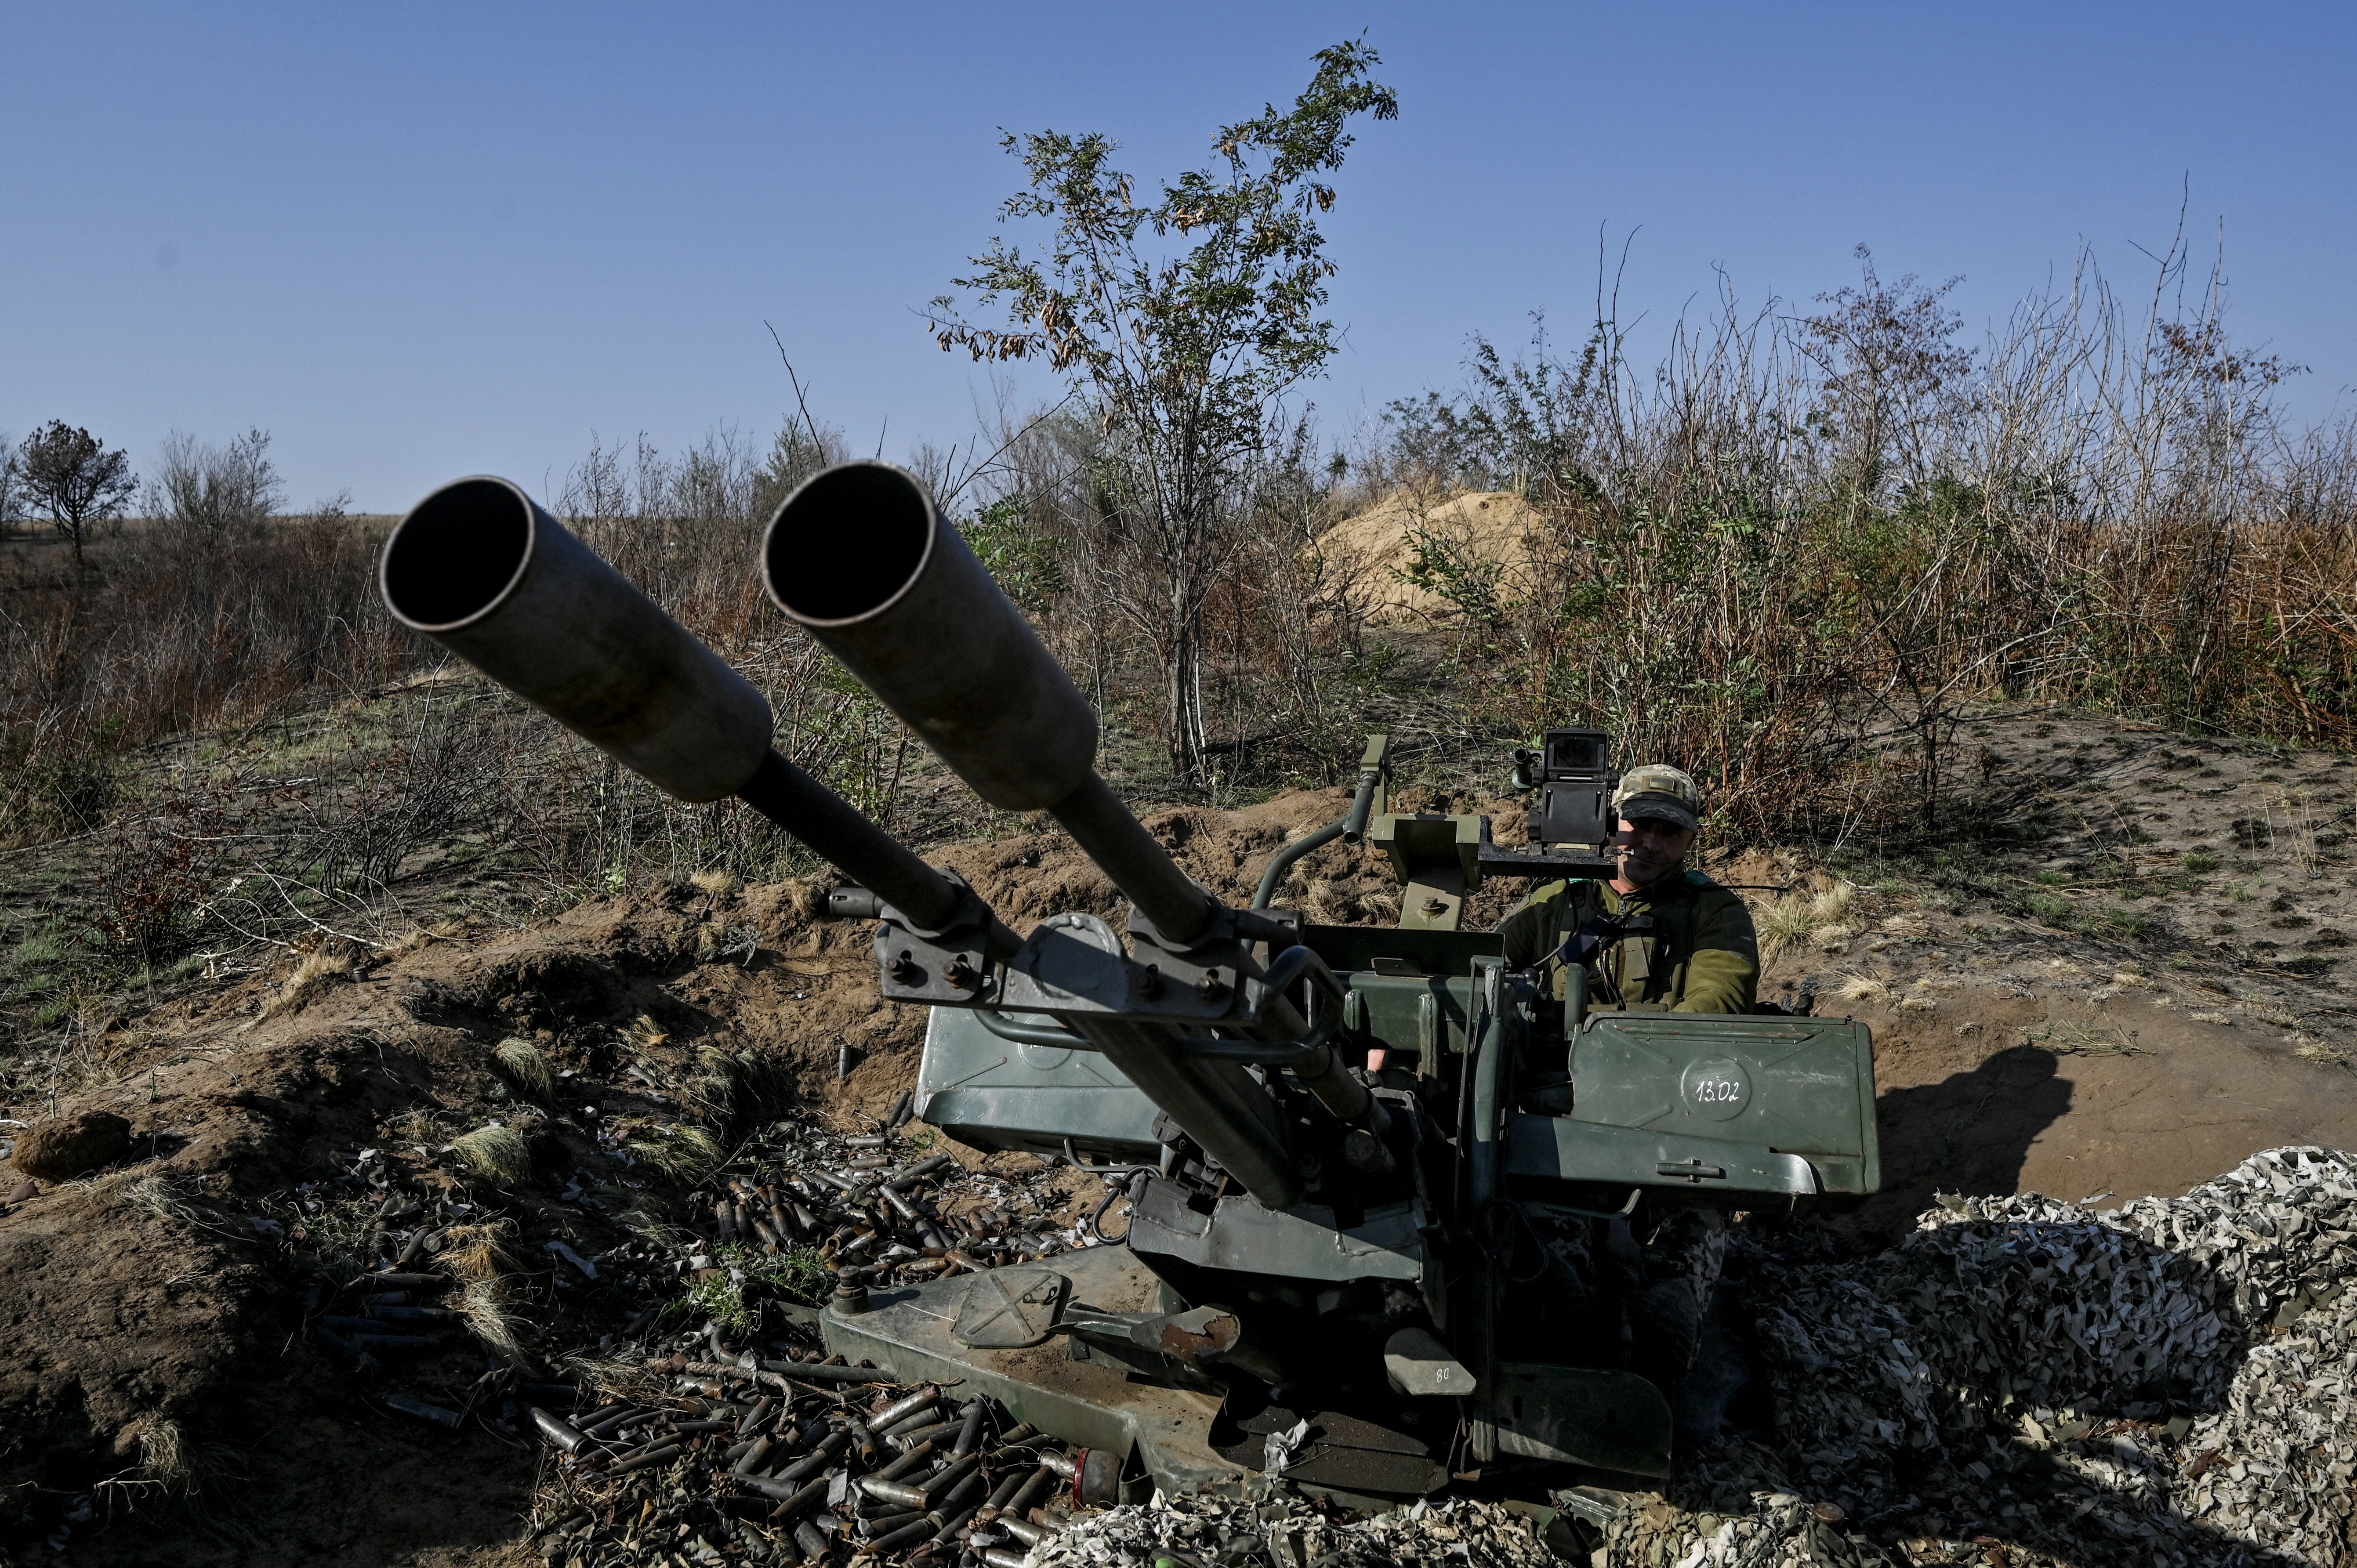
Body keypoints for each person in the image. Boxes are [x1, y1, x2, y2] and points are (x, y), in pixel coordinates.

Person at [1496, 764, 1759, 1013]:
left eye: (1671, 832)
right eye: (1640, 824)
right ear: (1610, 823)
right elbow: (1481, 968)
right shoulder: (1556, 900)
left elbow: (1721, 1001)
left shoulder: (1714, 910)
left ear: (1690, 842)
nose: (1652, 844)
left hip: (1664, 1056)